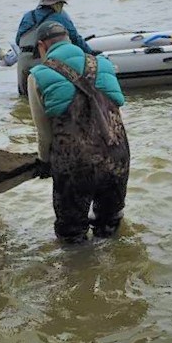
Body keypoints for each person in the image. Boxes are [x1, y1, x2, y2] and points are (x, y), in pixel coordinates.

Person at [28, 20, 130, 244]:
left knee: (72, 233)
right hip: (117, 157)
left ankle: (81, 272)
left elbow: (43, 131)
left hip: (76, 165)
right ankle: (119, 272)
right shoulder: (102, 63)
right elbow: (116, 105)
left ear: (43, 46)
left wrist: (45, 162)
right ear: (69, 40)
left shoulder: (38, 75)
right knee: (110, 225)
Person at [15, 0, 97, 96]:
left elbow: (18, 40)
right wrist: (90, 53)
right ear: (56, 5)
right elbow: (75, 38)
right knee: (44, 97)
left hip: (23, 60)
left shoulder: (28, 15)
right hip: (41, 59)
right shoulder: (60, 16)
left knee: (24, 97)